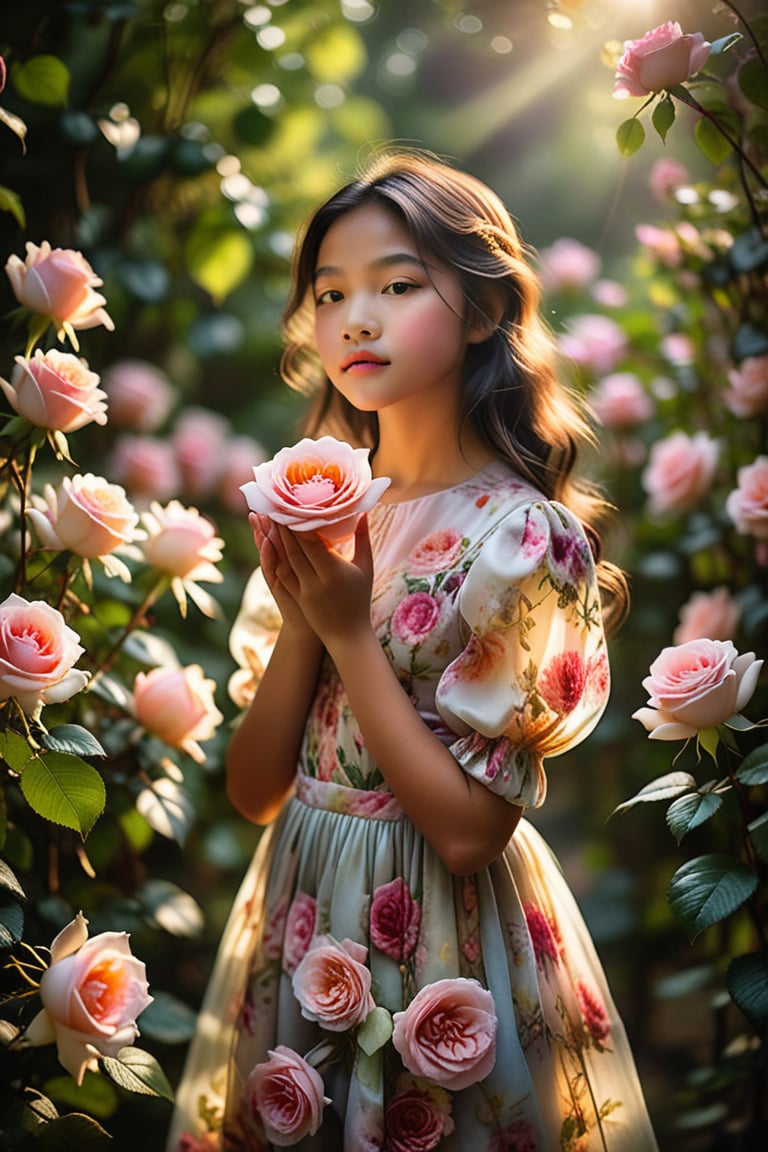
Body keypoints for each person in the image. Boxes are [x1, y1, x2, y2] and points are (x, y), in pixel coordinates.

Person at [167, 149, 658, 1151]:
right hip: (302, 903)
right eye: (331, 292)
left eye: (397, 285)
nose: (356, 317)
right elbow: (258, 790)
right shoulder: (326, 513)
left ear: (484, 312)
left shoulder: (520, 538)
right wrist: (306, 618)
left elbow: (472, 834)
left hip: (439, 927)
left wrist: (347, 629)